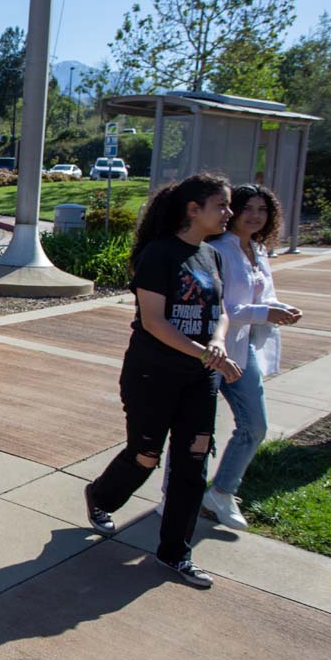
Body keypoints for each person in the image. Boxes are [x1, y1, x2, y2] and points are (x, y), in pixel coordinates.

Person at [83, 173, 242, 589]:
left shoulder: (214, 255)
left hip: (200, 378)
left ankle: (176, 553)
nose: (229, 213)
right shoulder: (160, 254)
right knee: (146, 455)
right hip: (153, 374)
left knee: (193, 462)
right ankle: (100, 497)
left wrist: (218, 342)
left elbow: (220, 311)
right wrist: (204, 351)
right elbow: (154, 322)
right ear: (194, 209)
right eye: (221, 205)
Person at [201, 184, 301, 528]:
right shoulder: (218, 251)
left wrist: (279, 308)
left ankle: (221, 492)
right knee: (195, 431)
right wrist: (263, 313)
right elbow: (222, 306)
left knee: (254, 426)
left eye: (262, 209)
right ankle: (176, 496)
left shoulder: (257, 250)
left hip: (243, 351)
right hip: (211, 350)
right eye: (248, 209)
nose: (255, 216)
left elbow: (262, 296)